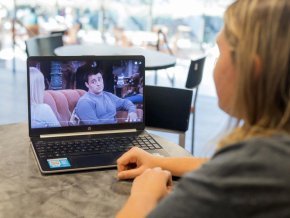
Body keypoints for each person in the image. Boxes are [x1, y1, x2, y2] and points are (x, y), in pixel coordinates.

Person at [116, 0, 290, 217]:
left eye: (219, 55)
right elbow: (217, 166)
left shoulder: (253, 165)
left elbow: (233, 172)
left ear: (251, 71)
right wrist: (159, 162)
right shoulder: (273, 153)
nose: (215, 66)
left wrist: (144, 194)